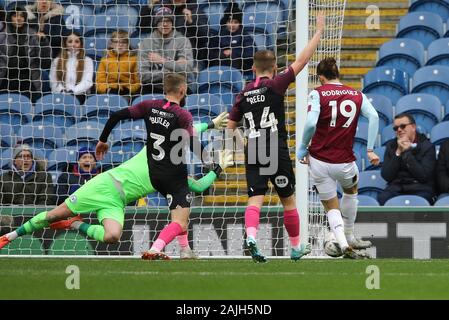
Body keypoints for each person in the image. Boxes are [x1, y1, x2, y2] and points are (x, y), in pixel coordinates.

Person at [0, 122, 233, 259]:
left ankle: (75, 223)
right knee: (53, 215)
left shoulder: (174, 176)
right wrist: (211, 124)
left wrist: (219, 167)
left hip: (116, 203)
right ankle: (8, 237)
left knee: (112, 237)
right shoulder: (151, 151)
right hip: (104, 185)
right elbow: (182, 132)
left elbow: (201, 186)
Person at [95, 73, 229, 260]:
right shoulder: (182, 114)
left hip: (154, 174)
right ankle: (155, 248)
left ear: (165, 89)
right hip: (174, 174)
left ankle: (185, 250)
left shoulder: (149, 106)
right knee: (180, 220)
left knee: (181, 210)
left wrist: (102, 140)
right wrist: (211, 162)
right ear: (182, 90)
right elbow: (191, 141)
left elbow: (117, 115)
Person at [226, 13, 325, 263]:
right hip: (275, 147)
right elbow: (302, 60)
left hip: (254, 147)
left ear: (252, 69)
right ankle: (295, 248)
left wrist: (243, 144)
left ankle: (250, 237)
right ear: (275, 68)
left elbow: (230, 127)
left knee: (255, 199)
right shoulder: (276, 84)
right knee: (288, 200)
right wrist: (319, 31)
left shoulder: (244, 93)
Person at [297, 57, 380, 259]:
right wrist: (369, 149)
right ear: (338, 75)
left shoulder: (317, 93)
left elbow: (309, 124)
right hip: (344, 161)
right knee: (351, 191)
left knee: (330, 205)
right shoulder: (356, 94)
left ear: (321, 78)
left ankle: (342, 243)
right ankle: (349, 235)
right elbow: (375, 117)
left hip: (318, 160)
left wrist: (302, 148)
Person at [377, 113, 436, 205]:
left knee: (423, 200)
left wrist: (407, 152)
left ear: (413, 127)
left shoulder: (427, 146)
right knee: (382, 198)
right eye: (396, 128)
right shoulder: (391, 146)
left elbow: (424, 177)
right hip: (396, 188)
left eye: (403, 126)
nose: (399, 130)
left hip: (420, 188)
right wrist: (398, 152)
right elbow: (387, 176)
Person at [0, 6, 51, 102]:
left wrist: (43, 43)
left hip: (28, 82)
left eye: (22, 16)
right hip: (4, 82)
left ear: (25, 18)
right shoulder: (2, 37)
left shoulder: (34, 36)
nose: (19, 18)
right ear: (10, 18)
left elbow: (45, 62)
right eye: (15, 16)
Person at [138, 6, 194, 94]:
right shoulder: (146, 43)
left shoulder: (183, 41)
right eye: (161, 21)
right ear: (156, 23)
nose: (165, 24)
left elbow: (187, 69)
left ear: (172, 23)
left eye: (168, 21)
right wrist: (170, 70)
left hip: (178, 86)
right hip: (154, 86)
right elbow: (143, 75)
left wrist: (163, 61)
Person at [208, 2, 256, 73]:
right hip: (220, 66)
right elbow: (210, 53)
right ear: (225, 22)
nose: (232, 25)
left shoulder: (244, 35)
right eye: (230, 22)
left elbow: (251, 53)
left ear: (239, 24)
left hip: (240, 67)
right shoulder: (219, 35)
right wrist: (222, 53)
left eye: (235, 22)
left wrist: (233, 52)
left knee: (233, 57)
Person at [49, 31, 93, 104]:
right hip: (60, 95)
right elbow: (53, 82)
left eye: (76, 42)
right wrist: (62, 91)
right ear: (65, 44)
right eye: (70, 41)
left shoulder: (87, 61)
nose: (73, 44)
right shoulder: (56, 61)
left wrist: (72, 91)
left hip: (79, 95)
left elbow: (87, 82)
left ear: (81, 44)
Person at [96, 30, 141, 100]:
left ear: (128, 44)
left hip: (128, 93)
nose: (120, 45)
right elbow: (99, 82)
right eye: (116, 42)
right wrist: (108, 89)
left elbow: (138, 82)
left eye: (123, 42)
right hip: (109, 92)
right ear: (111, 44)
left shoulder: (134, 59)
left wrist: (129, 89)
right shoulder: (105, 60)